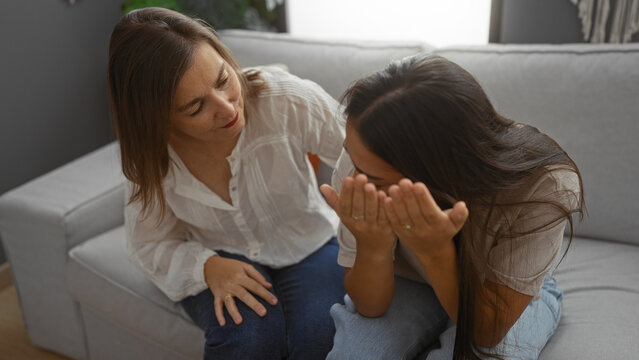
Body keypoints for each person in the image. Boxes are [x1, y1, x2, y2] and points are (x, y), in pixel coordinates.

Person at [107, 7, 345, 359]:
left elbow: (359, 158)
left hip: (307, 242)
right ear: (159, 119)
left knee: (319, 338)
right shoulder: (151, 157)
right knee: (249, 339)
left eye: (222, 79)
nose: (227, 108)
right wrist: (207, 267)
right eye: (195, 107)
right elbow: (149, 245)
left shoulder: (286, 100)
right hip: (217, 254)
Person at [320, 54, 583, 360]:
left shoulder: (542, 184)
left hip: (498, 290)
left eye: (374, 179)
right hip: (407, 279)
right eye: (351, 158)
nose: (356, 181)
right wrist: (373, 247)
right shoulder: (362, 155)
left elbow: (487, 332)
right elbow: (370, 306)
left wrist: (435, 252)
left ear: (437, 171)